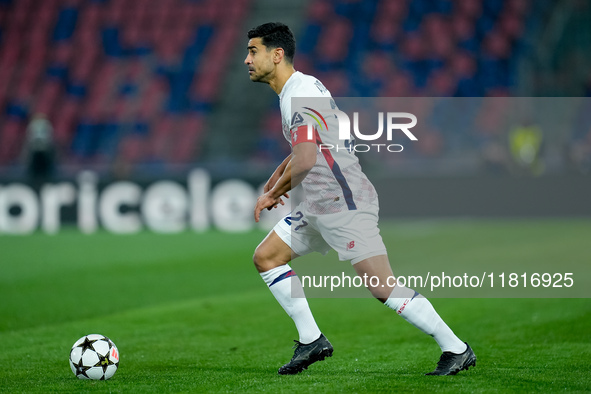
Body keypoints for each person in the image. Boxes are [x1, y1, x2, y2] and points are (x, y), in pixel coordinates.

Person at [244, 22, 476, 376]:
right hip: (320, 204)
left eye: (253, 51)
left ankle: (456, 348)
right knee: (267, 257)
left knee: (382, 285)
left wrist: (272, 195)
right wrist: (275, 180)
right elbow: (308, 149)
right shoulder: (298, 90)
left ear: (277, 55)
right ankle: (311, 340)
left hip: (343, 201)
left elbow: (306, 159)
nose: (247, 59)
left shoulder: (300, 93)